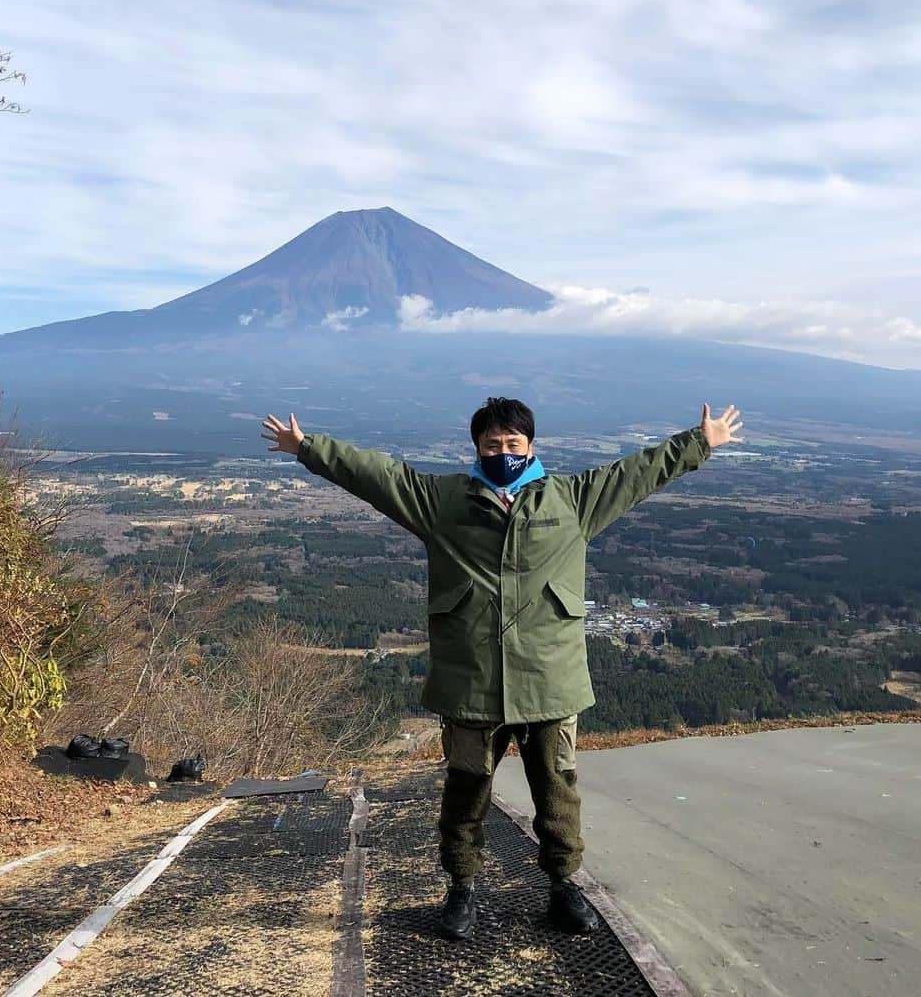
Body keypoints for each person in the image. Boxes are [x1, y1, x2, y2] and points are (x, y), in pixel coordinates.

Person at [261, 397, 743, 941]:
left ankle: (564, 888)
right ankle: (461, 892)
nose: (503, 452)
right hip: (473, 680)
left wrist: (699, 442)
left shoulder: (572, 499)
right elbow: (378, 476)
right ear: (477, 448)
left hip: (549, 679)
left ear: (531, 447)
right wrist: (307, 448)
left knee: (558, 791)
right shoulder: (443, 502)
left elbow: (634, 473)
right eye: (493, 444)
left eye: (513, 444)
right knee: (466, 792)